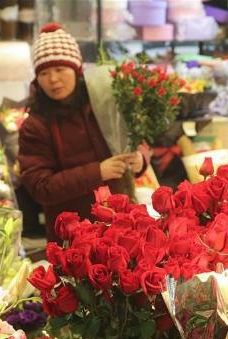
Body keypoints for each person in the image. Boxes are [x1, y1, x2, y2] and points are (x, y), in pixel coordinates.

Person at [18, 23, 145, 242]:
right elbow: (41, 187)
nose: (53, 79)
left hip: (121, 226)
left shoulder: (103, 103)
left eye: (60, 69)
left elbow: (134, 141)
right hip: (71, 236)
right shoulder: (35, 125)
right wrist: (98, 172)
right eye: (44, 73)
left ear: (76, 70)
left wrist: (141, 161)